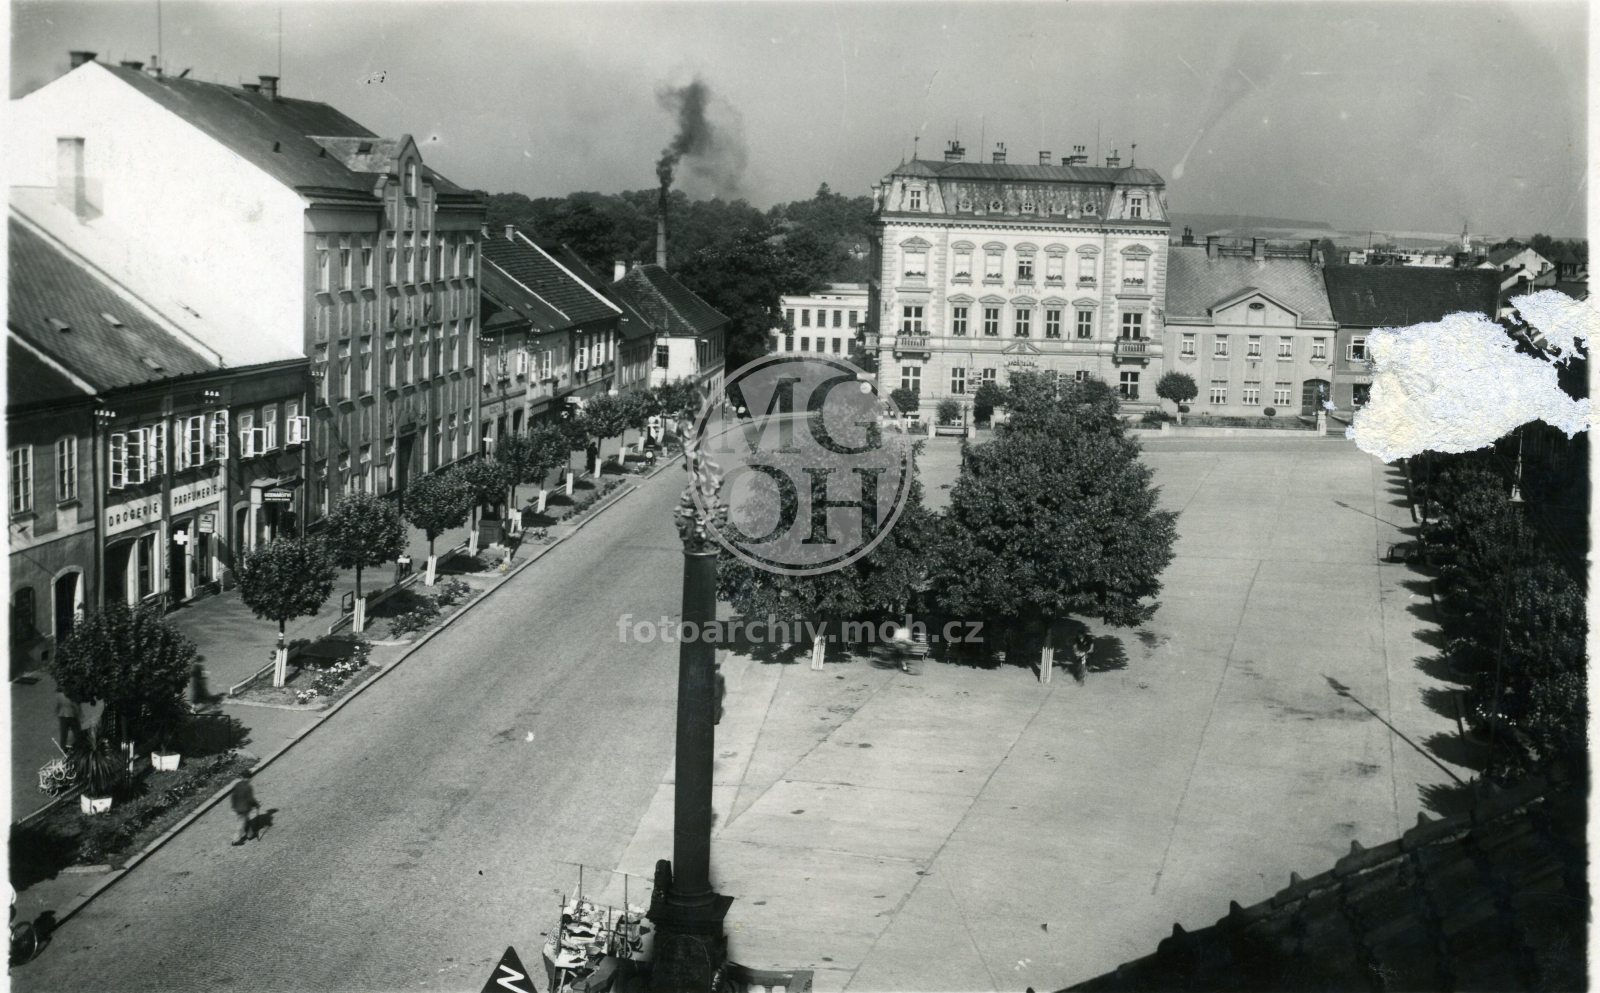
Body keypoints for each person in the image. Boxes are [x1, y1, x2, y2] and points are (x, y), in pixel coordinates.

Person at [230, 772, 260, 846]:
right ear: (248, 778)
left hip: (237, 807)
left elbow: (233, 796)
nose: (250, 780)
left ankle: (250, 834)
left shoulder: (237, 785)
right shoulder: (248, 787)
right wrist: (256, 805)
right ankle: (235, 840)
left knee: (246, 820)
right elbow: (250, 799)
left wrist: (233, 806)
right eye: (249, 778)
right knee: (241, 823)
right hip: (244, 808)